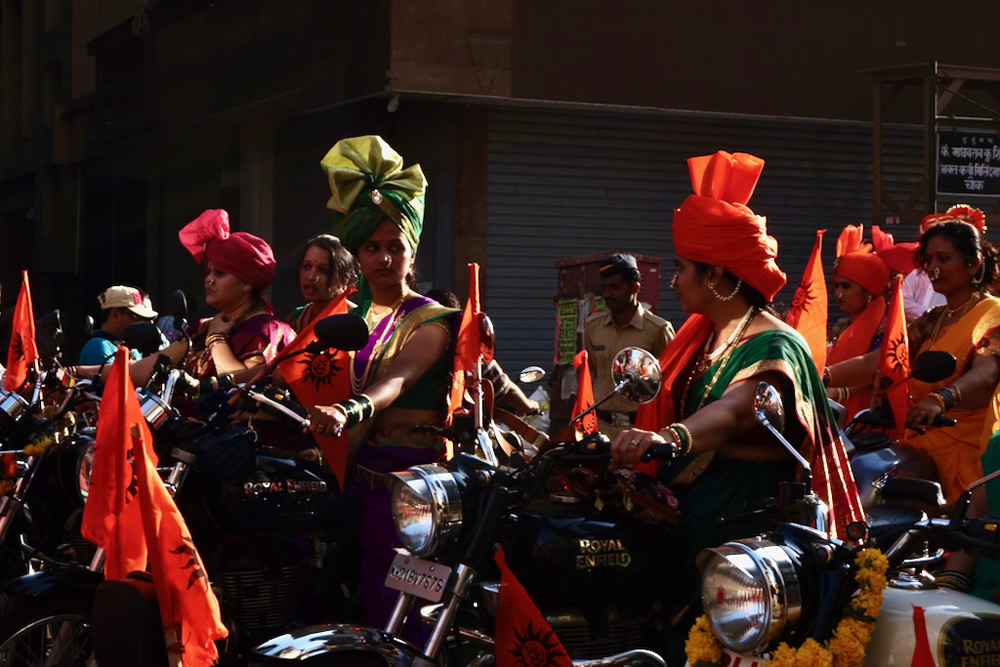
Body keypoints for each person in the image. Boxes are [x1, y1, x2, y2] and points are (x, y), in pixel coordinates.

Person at [608, 151, 862, 665]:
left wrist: (668, 439)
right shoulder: (703, 338)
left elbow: (737, 411)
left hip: (747, 514)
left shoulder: (775, 344)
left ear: (719, 275)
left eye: (682, 269)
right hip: (696, 501)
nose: (674, 280)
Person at [304, 135, 456, 631]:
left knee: (408, 615)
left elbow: (397, 380)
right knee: (361, 603)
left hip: (414, 496)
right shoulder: (347, 316)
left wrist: (351, 411)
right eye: (372, 247)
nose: (384, 258)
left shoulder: (434, 320)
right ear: (358, 253)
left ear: (413, 252)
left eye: (396, 247)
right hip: (358, 481)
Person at [827, 216, 1000, 504]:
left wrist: (939, 399)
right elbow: (879, 362)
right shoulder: (933, 319)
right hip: (920, 439)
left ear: (974, 264)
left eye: (944, 258)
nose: (934, 268)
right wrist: (819, 376)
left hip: (969, 446)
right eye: (929, 259)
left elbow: (986, 373)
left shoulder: (993, 313)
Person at [177, 209, 296, 384]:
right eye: (208, 271)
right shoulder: (202, 328)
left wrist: (216, 338)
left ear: (247, 282)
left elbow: (244, 391)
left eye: (219, 273)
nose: (208, 279)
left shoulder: (268, 332)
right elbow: (146, 369)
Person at [583, 253, 674, 437]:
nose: (607, 294)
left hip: (642, 431)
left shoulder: (658, 329)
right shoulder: (593, 327)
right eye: (604, 288)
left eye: (614, 287)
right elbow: (594, 372)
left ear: (634, 288)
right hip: (601, 429)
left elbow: (671, 384)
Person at [426, 287, 539, 416]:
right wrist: (529, 405)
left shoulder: (409, 345)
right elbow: (506, 388)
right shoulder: (467, 351)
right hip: (452, 427)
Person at [825, 233, 890, 418]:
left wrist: (839, 392)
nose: (838, 294)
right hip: (831, 409)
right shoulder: (838, 326)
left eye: (846, 287)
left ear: (868, 291)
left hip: (864, 417)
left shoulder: (884, 330)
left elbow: (877, 374)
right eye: (836, 286)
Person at [286, 233, 355, 333]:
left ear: (343, 281)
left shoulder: (356, 320)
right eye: (307, 266)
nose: (311, 277)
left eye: (322, 270)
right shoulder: (296, 319)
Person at [78, 285, 158, 365]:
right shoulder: (97, 346)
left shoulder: (132, 348)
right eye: (135, 317)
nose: (141, 323)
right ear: (115, 315)